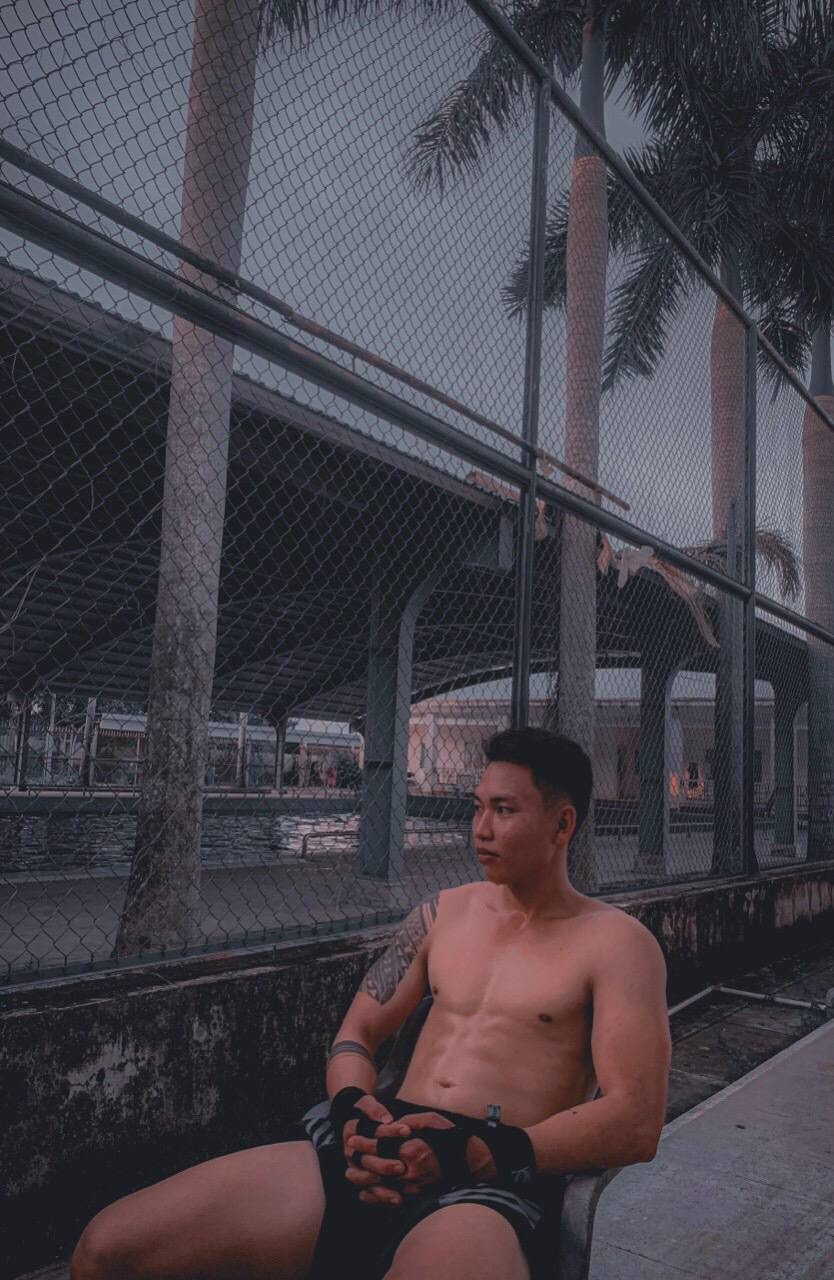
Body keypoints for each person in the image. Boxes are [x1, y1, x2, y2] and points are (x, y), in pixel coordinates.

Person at [71, 727, 671, 1280]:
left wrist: (480, 1154)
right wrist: (353, 1109)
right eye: (477, 807)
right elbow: (357, 1032)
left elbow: (636, 1120)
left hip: (492, 1176)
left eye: (504, 810)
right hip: (373, 1142)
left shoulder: (617, 944)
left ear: (562, 825)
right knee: (108, 1251)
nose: (481, 829)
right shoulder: (442, 914)